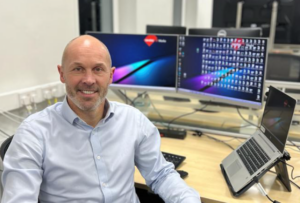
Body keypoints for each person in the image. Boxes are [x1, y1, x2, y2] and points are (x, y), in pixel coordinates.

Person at [1, 35, 201, 203]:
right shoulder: (33, 133)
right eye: (78, 69)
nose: (89, 79)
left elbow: (161, 175)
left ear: (111, 75)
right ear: (62, 74)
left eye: (98, 69)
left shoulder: (133, 120)